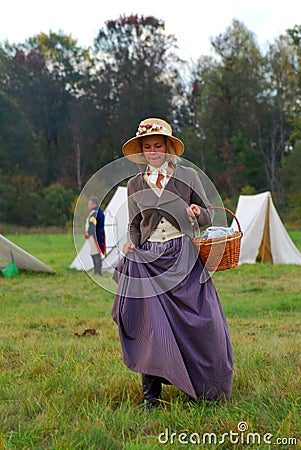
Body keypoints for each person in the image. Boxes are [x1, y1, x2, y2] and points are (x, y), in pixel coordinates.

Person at [112, 118, 233, 410]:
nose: (153, 151)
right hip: (150, 259)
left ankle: (208, 388)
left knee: (203, 322)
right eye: (147, 146)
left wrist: (197, 212)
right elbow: (134, 224)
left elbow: (208, 215)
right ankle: (151, 397)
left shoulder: (188, 175)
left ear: (168, 148)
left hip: (184, 256)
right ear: (141, 152)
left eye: (158, 145)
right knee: (150, 325)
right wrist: (132, 242)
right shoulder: (134, 184)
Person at [84, 197, 106, 276]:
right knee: (94, 252)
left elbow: (93, 225)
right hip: (94, 235)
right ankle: (97, 271)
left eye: (89, 204)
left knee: (95, 253)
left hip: (94, 236)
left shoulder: (94, 213)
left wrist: (89, 233)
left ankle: (98, 272)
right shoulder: (95, 212)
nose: (88, 205)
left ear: (94, 204)